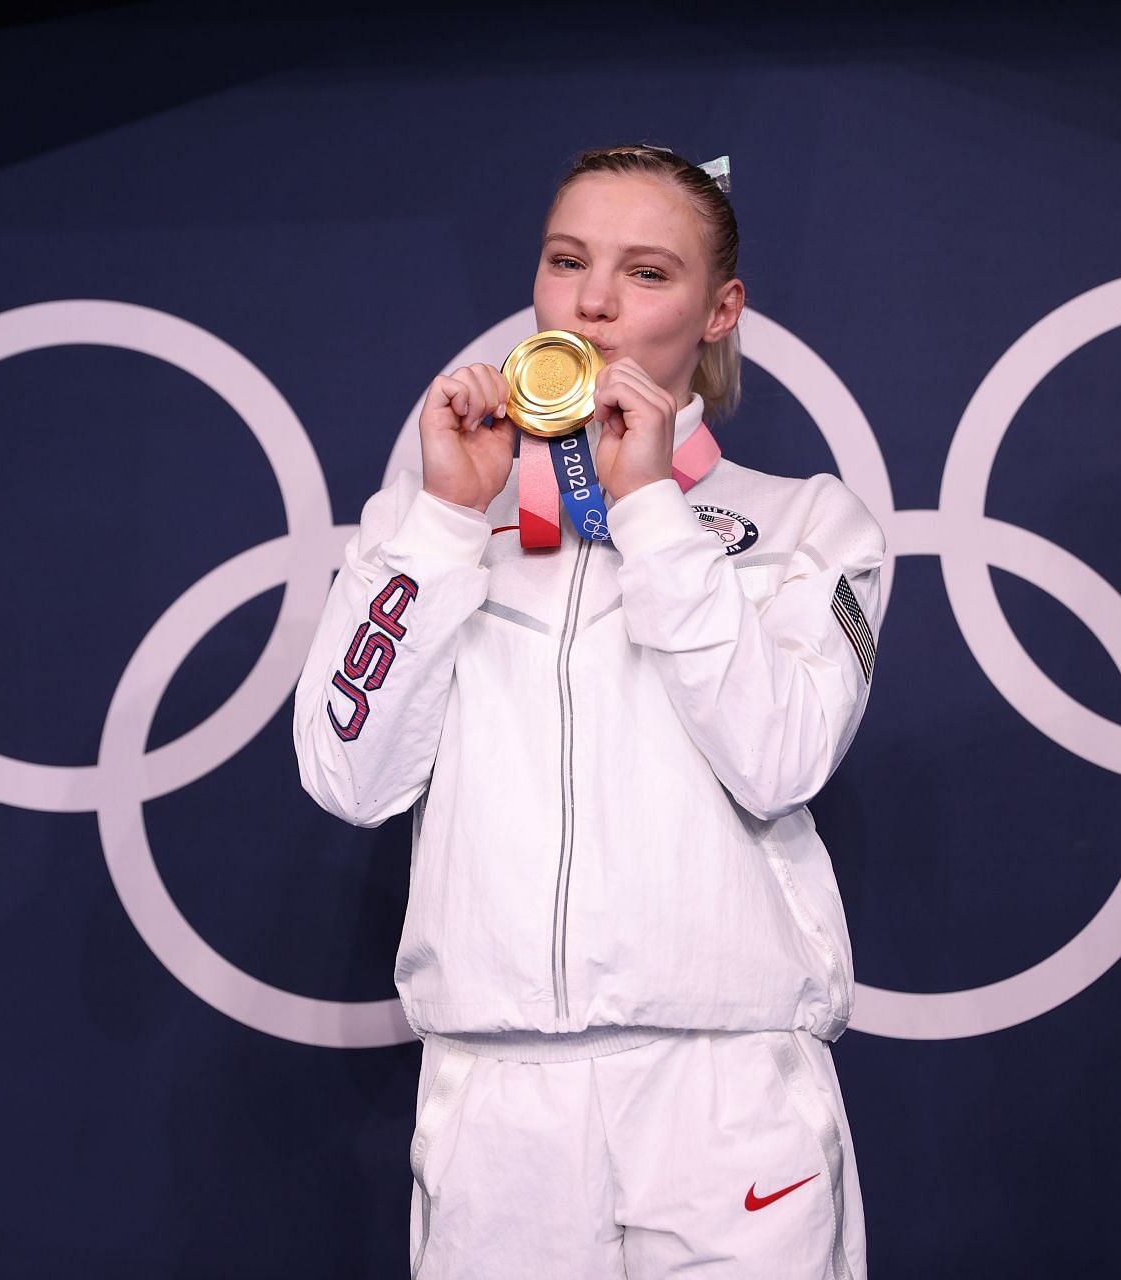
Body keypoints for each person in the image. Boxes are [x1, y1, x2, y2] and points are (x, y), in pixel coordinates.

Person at [293, 143, 884, 1279]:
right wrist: (445, 524)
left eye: (647, 273)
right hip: (497, 1094)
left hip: (724, 1095)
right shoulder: (433, 516)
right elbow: (346, 773)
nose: (596, 301)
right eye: (568, 261)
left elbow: (781, 755)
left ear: (720, 311)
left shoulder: (810, 524)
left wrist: (653, 510)